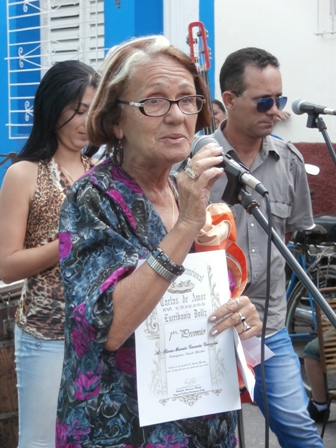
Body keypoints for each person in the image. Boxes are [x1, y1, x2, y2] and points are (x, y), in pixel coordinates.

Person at [55, 35, 262, 448]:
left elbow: (197, 300)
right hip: (124, 428)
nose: (176, 116)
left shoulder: (181, 188)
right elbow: (108, 327)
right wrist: (185, 224)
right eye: (154, 101)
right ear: (116, 121)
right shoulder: (94, 197)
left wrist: (242, 322)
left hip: (204, 420)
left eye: (187, 100)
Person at [201, 47, 324, 447]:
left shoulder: (288, 160)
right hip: (204, 327)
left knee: (299, 432)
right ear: (230, 101)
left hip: (267, 328)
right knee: (207, 437)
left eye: (280, 100)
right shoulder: (194, 163)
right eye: (264, 101)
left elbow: (292, 234)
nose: (275, 111)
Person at [0, 60, 100, 447]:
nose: (86, 120)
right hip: (45, 335)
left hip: (96, 333)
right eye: (77, 110)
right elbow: (7, 265)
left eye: (93, 109)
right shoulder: (24, 173)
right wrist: (68, 242)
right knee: (40, 442)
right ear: (52, 108)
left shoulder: (99, 171)